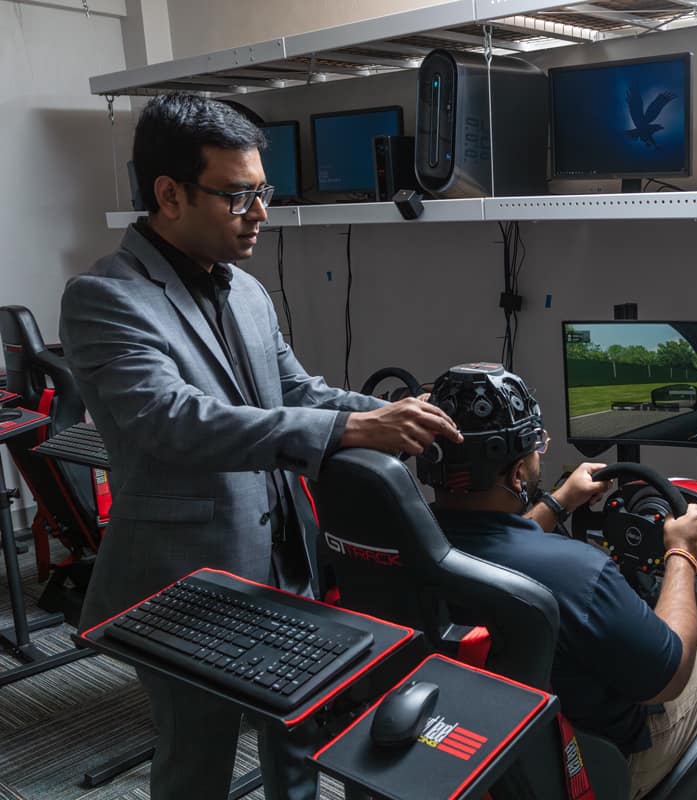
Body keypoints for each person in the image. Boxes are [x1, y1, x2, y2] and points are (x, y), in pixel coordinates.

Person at [59, 94, 462, 800]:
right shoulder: (105, 297)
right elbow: (173, 421)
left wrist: (402, 412)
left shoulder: (244, 288)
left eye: (262, 191)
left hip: (287, 556)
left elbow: (295, 392)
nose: (261, 213)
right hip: (185, 578)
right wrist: (348, 431)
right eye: (239, 195)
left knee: (301, 731)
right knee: (199, 757)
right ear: (170, 195)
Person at [416, 363, 697, 799]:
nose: (541, 453)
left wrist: (560, 502)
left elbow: (492, 543)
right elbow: (668, 677)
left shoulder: (408, 541)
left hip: (482, 748)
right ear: (518, 474)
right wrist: (682, 555)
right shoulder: (577, 572)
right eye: (536, 446)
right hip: (591, 767)